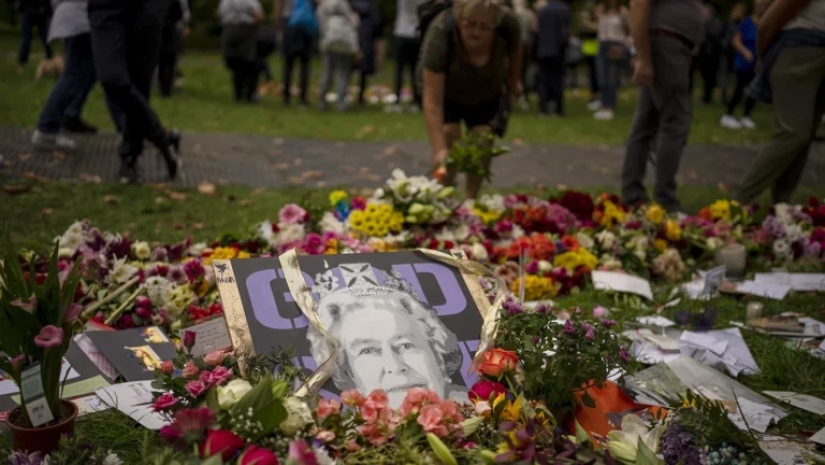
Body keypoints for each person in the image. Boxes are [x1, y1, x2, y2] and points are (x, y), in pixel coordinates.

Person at [306, 265, 470, 409]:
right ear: (347, 373)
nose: (395, 366)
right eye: (368, 350)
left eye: (406, 345)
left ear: (438, 357)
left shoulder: (488, 414)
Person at [419, 0, 522, 200]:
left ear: (496, 24)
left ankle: (471, 200)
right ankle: (441, 197)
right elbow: (432, 100)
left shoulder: (508, 24)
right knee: (449, 135)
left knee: (482, 139)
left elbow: (515, 48)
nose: (476, 32)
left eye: (485, 27)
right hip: (447, 90)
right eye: (469, 24)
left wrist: (514, 80)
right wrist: (439, 149)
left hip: (487, 88)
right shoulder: (441, 31)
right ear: (458, 19)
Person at [620, 0, 706, 213]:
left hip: (669, 44)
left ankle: (633, 195)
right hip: (665, 43)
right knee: (675, 123)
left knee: (645, 123)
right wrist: (643, 58)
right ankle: (665, 201)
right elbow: (639, 4)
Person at [737, 0, 825, 205]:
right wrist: (764, 57)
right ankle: (738, 204)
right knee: (793, 133)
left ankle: (781, 208)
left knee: (803, 138)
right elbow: (768, 22)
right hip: (800, 50)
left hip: (818, 53)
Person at [88, 0, 181, 184]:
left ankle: (130, 156)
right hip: (105, 8)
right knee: (111, 78)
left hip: (148, 7)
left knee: (140, 82)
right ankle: (162, 138)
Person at [31, 0, 104, 148]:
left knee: (89, 72)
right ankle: (47, 129)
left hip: (79, 18)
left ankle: (71, 115)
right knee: (74, 74)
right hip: (79, 20)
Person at [719, 2, 761, 130]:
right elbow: (735, 40)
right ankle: (728, 115)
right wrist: (745, 52)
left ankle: (746, 116)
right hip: (743, 62)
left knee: (753, 91)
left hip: (757, 63)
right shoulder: (746, 22)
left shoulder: (764, 22)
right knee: (739, 88)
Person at [317, 0, 360, 112]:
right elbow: (353, 22)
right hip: (344, 42)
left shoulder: (323, 5)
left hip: (328, 42)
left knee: (328, 71)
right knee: (343, 72)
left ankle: (322, 100)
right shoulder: (343, 3)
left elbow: (321, 24)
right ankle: (340, 102)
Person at [219, 0, 265, 103]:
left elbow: (221, 13)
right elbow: (259, 17)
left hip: (229, 29)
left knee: (235, 63)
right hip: (247, 30)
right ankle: (250, 93)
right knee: (249, 62)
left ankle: (238, 93)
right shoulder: (251, 1)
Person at [592, 0, 629, 121]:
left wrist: (624, 45)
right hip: (602, 43)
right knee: (602, 76)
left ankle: (609, 106)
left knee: (612, 77)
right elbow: (598, 27)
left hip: (616, 44)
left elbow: (628, 29)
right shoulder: (600, 9)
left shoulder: (622, 11)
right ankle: (603, 103)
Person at [275, 0, 315, 106]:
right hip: (306, 22)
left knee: (288, 62)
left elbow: (279, 3)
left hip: (289, 21)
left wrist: (278, 24)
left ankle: (286, 97)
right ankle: (303, 98)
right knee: (305, 63)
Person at [535, 0, 570, 117]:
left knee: (544, 80)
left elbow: (538, 29)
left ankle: (543, 109)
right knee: (558, 80)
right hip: (557, 50)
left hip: (543, 50)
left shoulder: (543, 10)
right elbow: (564, 32)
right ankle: (558, 109)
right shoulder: (564, 9)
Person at [392, 0, 424, 110]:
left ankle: (397, 100)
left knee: (399, 69)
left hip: (402, 32)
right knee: (414, 69)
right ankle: (415, 100)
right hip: (415, 33)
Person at [350, 0, 382, 106]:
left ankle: (343, 95)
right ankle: (360, 97)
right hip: (367, 41)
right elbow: (377, 26)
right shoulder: (372, 8)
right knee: (363, 73)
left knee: (346, 71)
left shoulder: (351, 5)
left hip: (352, 40)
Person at [158, 0, 190, 98]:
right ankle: (167, 89)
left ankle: (163, 87)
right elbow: (182, 14)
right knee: (170, 61)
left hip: (160, 30)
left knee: (162, 61)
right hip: (171, 30)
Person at [696, 2, 724, 104]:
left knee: (709, 77)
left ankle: (707, 97)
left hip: (711, 55)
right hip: (704, 53)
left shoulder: (715, 23)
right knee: (705, 76)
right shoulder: (703, 22)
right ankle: (705, 96)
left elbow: (716, 37)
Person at [16, 0, 53, 73]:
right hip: (30, 14)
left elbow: (47, 4)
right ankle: (21, 63)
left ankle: (51, 60)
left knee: (45, 39)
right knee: (27, 40)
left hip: (40, 14)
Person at [512, 0, 537, 111]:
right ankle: (524, 98)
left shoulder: (510, 14)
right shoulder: (529, 14)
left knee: (513, 73)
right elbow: (534, 29)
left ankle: (515, 98)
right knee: (524, 73)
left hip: (513, 46)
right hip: (526, 46)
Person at [720, 2, 746, 104]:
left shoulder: (729, 23)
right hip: (735, 52)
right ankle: (734, 98)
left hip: (727, 52)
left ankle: (725, 98)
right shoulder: (742, 24)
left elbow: (723, 36)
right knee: (734, 77)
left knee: (725, 76)